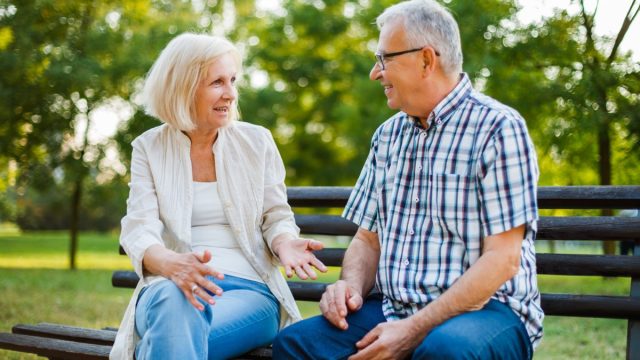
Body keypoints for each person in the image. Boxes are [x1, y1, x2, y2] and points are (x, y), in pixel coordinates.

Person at [273, 1, 543, 359]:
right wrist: (349, 288)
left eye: (384, 59)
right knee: (296, 345)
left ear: (426, 60)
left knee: (443, 350)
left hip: (488, 311)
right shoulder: (387, 136)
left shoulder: (499, 128)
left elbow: (502, 260)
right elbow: (368, 240)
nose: (375, 72)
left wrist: (413, 330)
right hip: (392, 307)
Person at [109, 33, 327, 360]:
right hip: (167, 290)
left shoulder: (257, 142)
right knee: (176, 306)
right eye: (217, 83)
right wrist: (174, 266)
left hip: (249, 292)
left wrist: (284, 243)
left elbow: (276, 217)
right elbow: (139, 229)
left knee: (169, 344)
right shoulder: (149, 147)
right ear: (183, 87)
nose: (231, 93)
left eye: (233, 81)